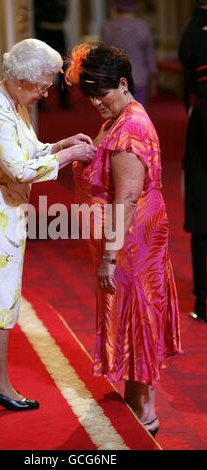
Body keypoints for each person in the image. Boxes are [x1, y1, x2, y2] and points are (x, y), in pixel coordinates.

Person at [0, 38, 96, 412]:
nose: (45, 94)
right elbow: (19, 168)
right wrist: (71, 155)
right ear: (23, 79)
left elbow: (26, 149)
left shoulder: (8, 98)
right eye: (43, 86)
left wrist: (60, 145)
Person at [65, 43, 182, 437]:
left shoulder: (129, 127)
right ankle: (136, 401)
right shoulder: (120, 116)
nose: (96, 102)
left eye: (102, 93)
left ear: (122, 82)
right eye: (90, 95)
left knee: (137, 319)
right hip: (130, 237)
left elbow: (127, 198)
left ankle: (144, 411)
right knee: (133, 316)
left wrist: (109, 258)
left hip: (131, 242)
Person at [178, 0, 207, 323]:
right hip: (203, 137)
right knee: (203, 226)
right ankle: (203, 301)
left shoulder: (195, 27)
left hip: (199, 134)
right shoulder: (201, 32)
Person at [101, 0, 157, 109]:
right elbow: (149, 56)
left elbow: (104, 56)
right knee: (138, 113)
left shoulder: (107, 27)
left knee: (119, 114)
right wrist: (153, 81)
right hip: (139, 76)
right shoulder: (143, 26)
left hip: (115, 78)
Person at [34, 0, 70, 109]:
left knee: (63, 67)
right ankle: (40, 101)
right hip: (44, 32)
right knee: (42, 69)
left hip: (58, 31)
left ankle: (64, 100)